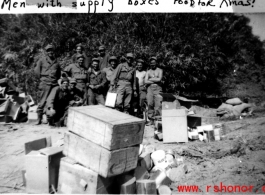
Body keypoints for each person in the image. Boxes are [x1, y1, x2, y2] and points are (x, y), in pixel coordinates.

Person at [34, 44, 61, 125]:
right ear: (46, 52)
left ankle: (49, 119)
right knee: (42, 101)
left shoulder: (56, 62)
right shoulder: (41, 60)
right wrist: (43, 79)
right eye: (49, 50)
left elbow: (59, 74)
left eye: (52, 50)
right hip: (45, 83)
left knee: (50, 101)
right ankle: (39, 119)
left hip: (54, 84)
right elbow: (36, 72)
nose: (50, 52)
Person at [145, 57, 163, 125]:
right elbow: (145, 81)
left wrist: (150, 79)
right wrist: (155, 79)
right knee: (150, 103)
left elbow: (159, 79)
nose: (153, 64)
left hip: (158, 88)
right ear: (150, 64)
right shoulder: (148, 71)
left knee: (158, 104)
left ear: (156, 63)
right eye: (151, 63)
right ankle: (151, 120)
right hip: (150, 89)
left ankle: (158, 121)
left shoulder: (160, 70)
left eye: (154, 63)